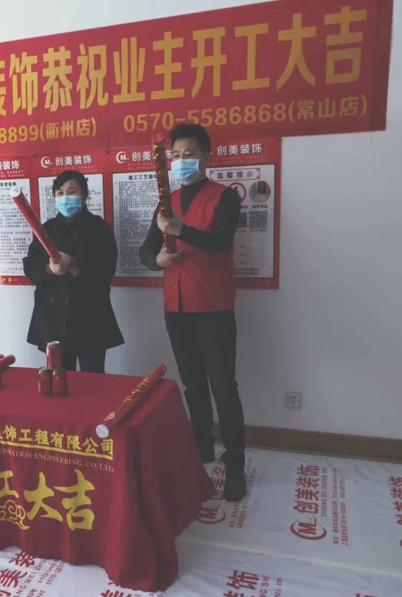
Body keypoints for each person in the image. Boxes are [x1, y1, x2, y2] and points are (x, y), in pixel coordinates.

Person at [138, 124, 247, 501]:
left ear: (206, 158)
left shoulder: (225, 197)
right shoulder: (167, 202)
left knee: (223, 388)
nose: (181, 161)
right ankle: (201, 450)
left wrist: (181, 230)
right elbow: (146, 249)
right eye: (176, 155)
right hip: (176, 308)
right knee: (192, 386)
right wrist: (157, 259)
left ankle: (235, 464)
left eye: (189, 155)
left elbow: (220, 242)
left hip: (213, 308)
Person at [23, 170, 124, 372]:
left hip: (90, 316)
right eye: (60, 193)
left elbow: (106, 268)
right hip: (54, 317)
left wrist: (74, 266)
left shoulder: (99, 228)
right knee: (59, 378)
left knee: (93, 378)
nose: (65, 198)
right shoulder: (46, 229)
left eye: (72, 192)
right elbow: (30, 265)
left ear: (84, 195)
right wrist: (49, 269)